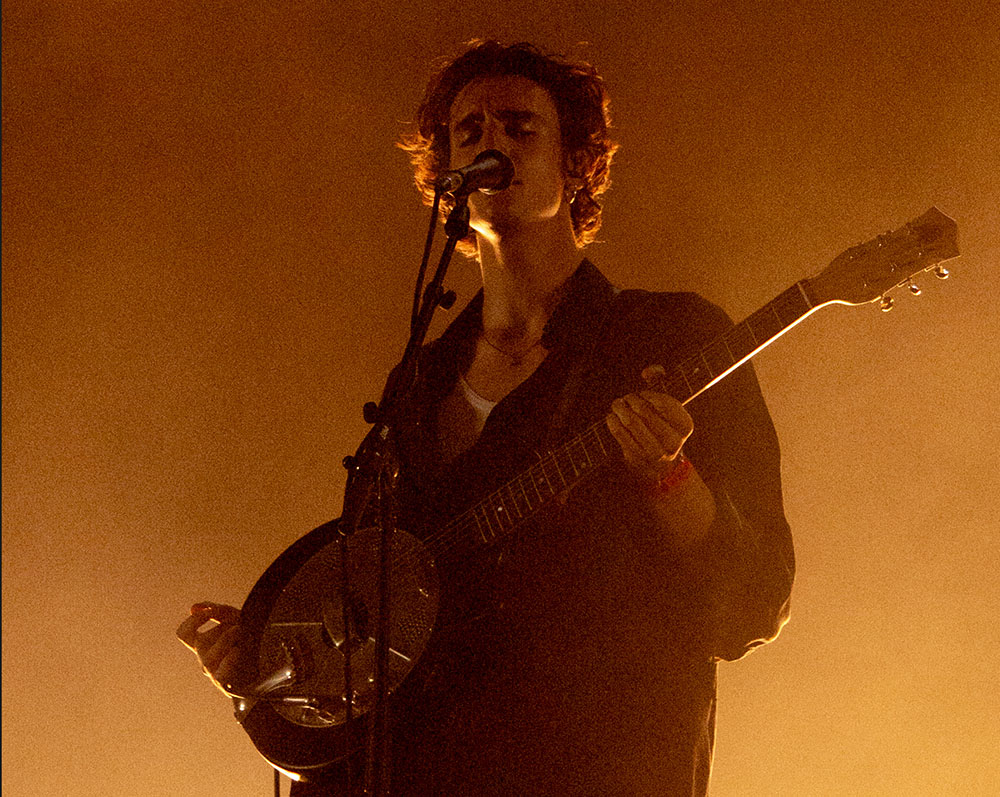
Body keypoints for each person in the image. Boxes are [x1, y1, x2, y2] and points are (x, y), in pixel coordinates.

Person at [178, 40, 794, 796]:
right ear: (447, 178)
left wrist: (668, 477)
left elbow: (756, 598)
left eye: (519, 127)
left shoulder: (668, 337)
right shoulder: (419, 380)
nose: (490, 142)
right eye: (468, 133)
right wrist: (276, 662)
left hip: (593, 766)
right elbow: (376, 615)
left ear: (576, 164)